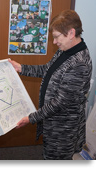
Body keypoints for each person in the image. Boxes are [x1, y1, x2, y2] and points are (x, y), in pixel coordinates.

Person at [9, 10, 92, 160]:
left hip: (63, 130)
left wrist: (31, 118)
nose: (54, 42)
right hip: (53, 123)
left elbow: (59, 103)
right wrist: (21, 68)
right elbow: (47, 70)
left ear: (71, 33)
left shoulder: (79, 63)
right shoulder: (65, 51)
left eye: (56, 37)